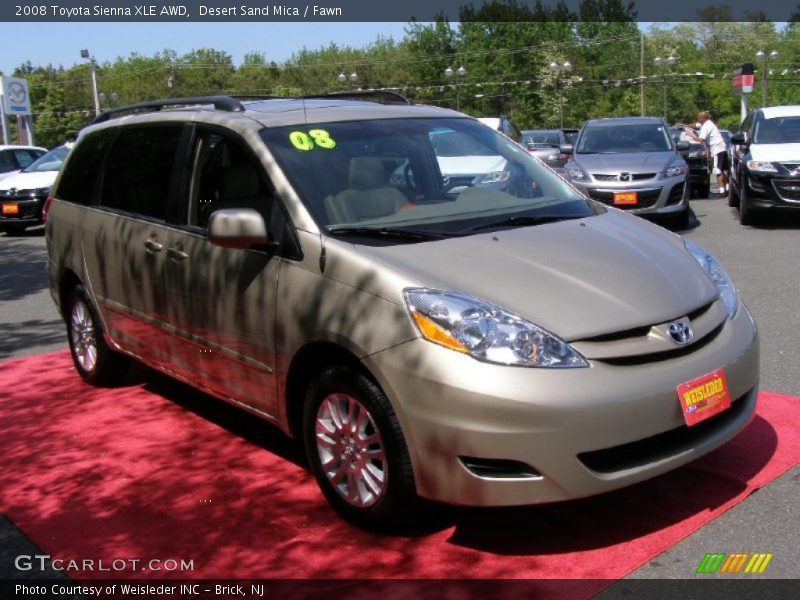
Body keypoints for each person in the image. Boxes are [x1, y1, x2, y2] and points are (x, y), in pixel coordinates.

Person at [683, 111, 728, 196]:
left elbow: (701, 139)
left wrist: (690, 135)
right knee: (723, 170)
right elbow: (696, 125)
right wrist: (686, 126)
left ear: (703, 118)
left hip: (717, 149)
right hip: (722, 148)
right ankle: (726, 188)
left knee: (718, 170)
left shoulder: (706, 126)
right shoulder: (708, 123)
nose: (698, 119)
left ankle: (722, 191)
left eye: (699, 118)